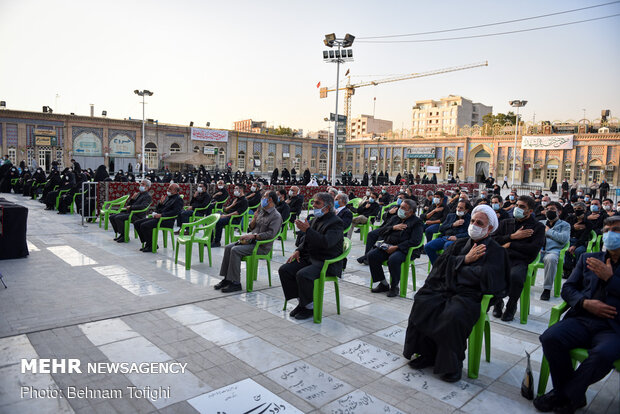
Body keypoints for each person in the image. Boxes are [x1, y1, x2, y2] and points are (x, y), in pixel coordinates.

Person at [403, 204, 510, 383]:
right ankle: (427, 353)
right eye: (473, 221)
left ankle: (452, 365)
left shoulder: (496, 251)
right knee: (423, 301)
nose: (474, 225)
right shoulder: (459, 244)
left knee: (452, 315)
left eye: (480, 223)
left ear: (489, 228)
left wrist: (458, 269)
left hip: (471, 295)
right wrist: (465, 260)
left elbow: (488, 277)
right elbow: (440, 266)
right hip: (446, 288)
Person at [534, 216, 620, 414]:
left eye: (616, 230)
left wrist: (610, 279)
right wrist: (584, 302)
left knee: (602, 355)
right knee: (551, 337)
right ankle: (573, 396)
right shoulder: (589, 258)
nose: (610, 234)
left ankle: (563, 395)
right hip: (583, 319)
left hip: (613, 327)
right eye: (606, 230)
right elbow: (569, 289)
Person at [279, 193, 344, 320]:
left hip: (326, 262)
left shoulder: (336, 223)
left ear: (327, 207)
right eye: (314, 202)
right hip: (310, 257)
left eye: (317, 203)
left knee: (303, 274)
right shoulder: (315, 219)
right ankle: (303, 303)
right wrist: (298, 250)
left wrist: (308, 230)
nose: (313, 205)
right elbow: (307, 240)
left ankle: (310, 307)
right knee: (285, 270)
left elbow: (326, 243)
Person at [214, 191, 283, 293]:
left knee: (235, 250)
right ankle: (227, 279)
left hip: (261, 246)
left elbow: (271, 235)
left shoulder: (276, 216)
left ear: (270, 200)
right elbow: (250, 228)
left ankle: (236, 283)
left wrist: (254, 236)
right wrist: (254, 220)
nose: (262, 199)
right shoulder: (261, 212)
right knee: (228, 247)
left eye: (264, 197)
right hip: (251, 242)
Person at [492, 196, 546, 321]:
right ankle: (497, 302)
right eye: (517, 205)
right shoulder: (506, 223)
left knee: (515, 276)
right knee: (491, 271)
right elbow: (494, 240)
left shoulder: (537, 227)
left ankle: (511, 306)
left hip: (521, 260)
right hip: (503, 258)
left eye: (522, 207)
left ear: (530, 211)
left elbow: (533, 249)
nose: (518, 208)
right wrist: (513, 236)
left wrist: (510, 244)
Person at [367, 199, 424, 297]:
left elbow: (415, 241)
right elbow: (381, 231)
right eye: (400, 207)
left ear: (410, 211)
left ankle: (394, 286)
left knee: (393, 259)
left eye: (403, 208)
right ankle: (383, 283)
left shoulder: (417, 222)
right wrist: (393, 228)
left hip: (404, 249)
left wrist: (397, 247)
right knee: (372, 255)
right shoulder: (395, 218)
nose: (399, 209)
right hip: (388, 245)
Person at [133, 183, 184, 252]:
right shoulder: (168, 197)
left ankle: (151, 245)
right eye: (168, 188)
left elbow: (175, 212)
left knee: (144, 225)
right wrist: (160, 203)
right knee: (137, 223)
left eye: (170, 189)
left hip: (167, 220)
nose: (167, 190)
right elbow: (159, 209)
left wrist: (162, 215)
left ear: (175, 191)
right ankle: (149, 243)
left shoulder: (178, 199)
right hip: (159, 218)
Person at [424, 200, 472, 265]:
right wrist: (452, 225)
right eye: (458, 207)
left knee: (447, 245)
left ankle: (446, 268)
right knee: (428, 246)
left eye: (461, 208)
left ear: (466, 210)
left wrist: (456, 237)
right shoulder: (451, 216)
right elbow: (441, 228)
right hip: (445, 237)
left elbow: (469, 234)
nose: (458, 209)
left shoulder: (470, 220)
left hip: (457, 240)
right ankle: (437, 267)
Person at [539, 201, 571, 301]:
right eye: (547, 209)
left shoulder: (565, 225)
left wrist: (548, 231)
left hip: (553, 252)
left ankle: (547, 289)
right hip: (539, 251)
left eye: (552, 209)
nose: (549, 211)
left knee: (551, 259)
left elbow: (564, 239)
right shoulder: (541, 223)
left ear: (559, 212)